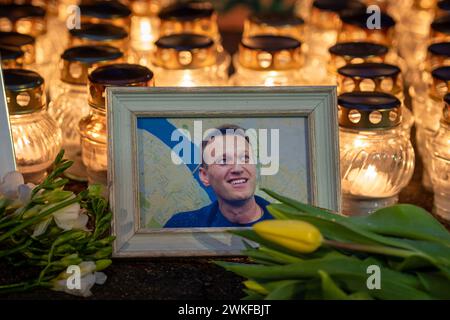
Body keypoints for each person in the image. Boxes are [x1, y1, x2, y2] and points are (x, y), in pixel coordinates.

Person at [164, 124, 273, 228]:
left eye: (245, 158)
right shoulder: (181, 226)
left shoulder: (287, 224)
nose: (238, 168)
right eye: (223, 160)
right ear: (204, 176)